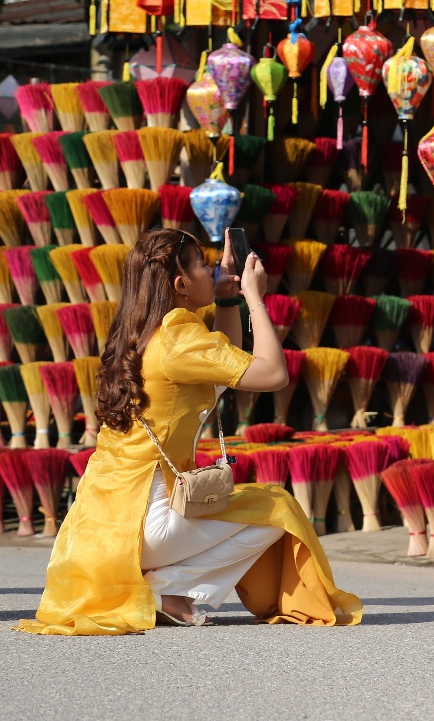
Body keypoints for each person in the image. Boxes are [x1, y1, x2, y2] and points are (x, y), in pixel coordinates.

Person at [20, 229, 362, 634]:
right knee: (278, 509)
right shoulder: (180, 340)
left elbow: (224, 363)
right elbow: (273, 374)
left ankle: (163, 591)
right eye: (202, 263)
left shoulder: (144, 334)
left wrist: (228, 300)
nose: (212, 268)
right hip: (149, 525)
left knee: (256, 508)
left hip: (99, 527)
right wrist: (255, 298)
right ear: (181, 284)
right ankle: (162, 590)